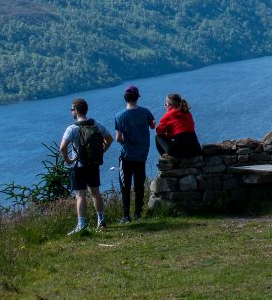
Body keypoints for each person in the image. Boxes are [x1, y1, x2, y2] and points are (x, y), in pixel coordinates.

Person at [60, 98, 113, 235]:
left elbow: (63, 147)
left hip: (79, 166)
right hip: (93, 164)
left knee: (80, 195)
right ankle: (101, 221)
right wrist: (101, 152)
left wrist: (69, 160)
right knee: (96, 193)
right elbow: (109, 139)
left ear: (76, 111)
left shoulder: (72, 128)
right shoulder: (96, 124)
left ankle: (81, 225)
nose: (72, 112)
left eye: (72, 109)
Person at [114, 84, 155, 222]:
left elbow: (118, 138)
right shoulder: (146, 112)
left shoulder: (120, 116)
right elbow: (152, 125)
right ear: (137, 97)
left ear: (125, 98)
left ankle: (126, 215)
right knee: (139, 184)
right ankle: (138, 213)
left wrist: (127, 142)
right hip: (142, 154)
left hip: (126, 156)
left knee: (125, 185)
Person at [155, 93, 202, 158]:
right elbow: (181, 130)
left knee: (158, 137)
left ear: (170, 105)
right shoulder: (188, 113)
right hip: (195, 150)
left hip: (180, 153)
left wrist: (167, 133)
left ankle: (165, 159)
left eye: (166, 103)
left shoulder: (169, 115)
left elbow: (159, 131)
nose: (165, 105)